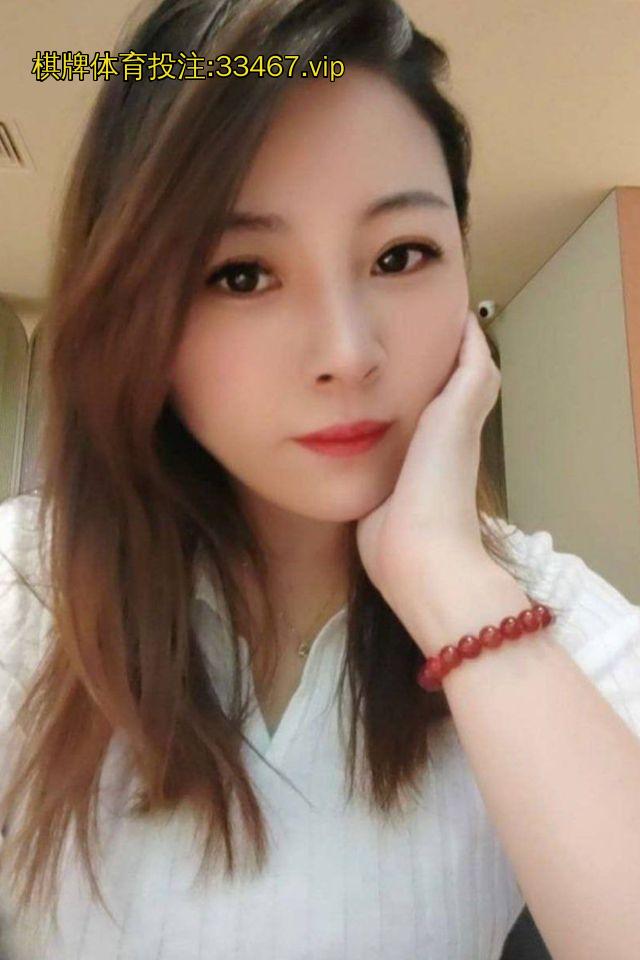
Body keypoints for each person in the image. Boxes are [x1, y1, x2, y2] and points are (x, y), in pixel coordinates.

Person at [1, 1, 640, 958]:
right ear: (134, 312)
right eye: (242, 275)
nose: (347, 352)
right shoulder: (26, 587)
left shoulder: (541, 610)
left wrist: (449, 582)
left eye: (400, 256)